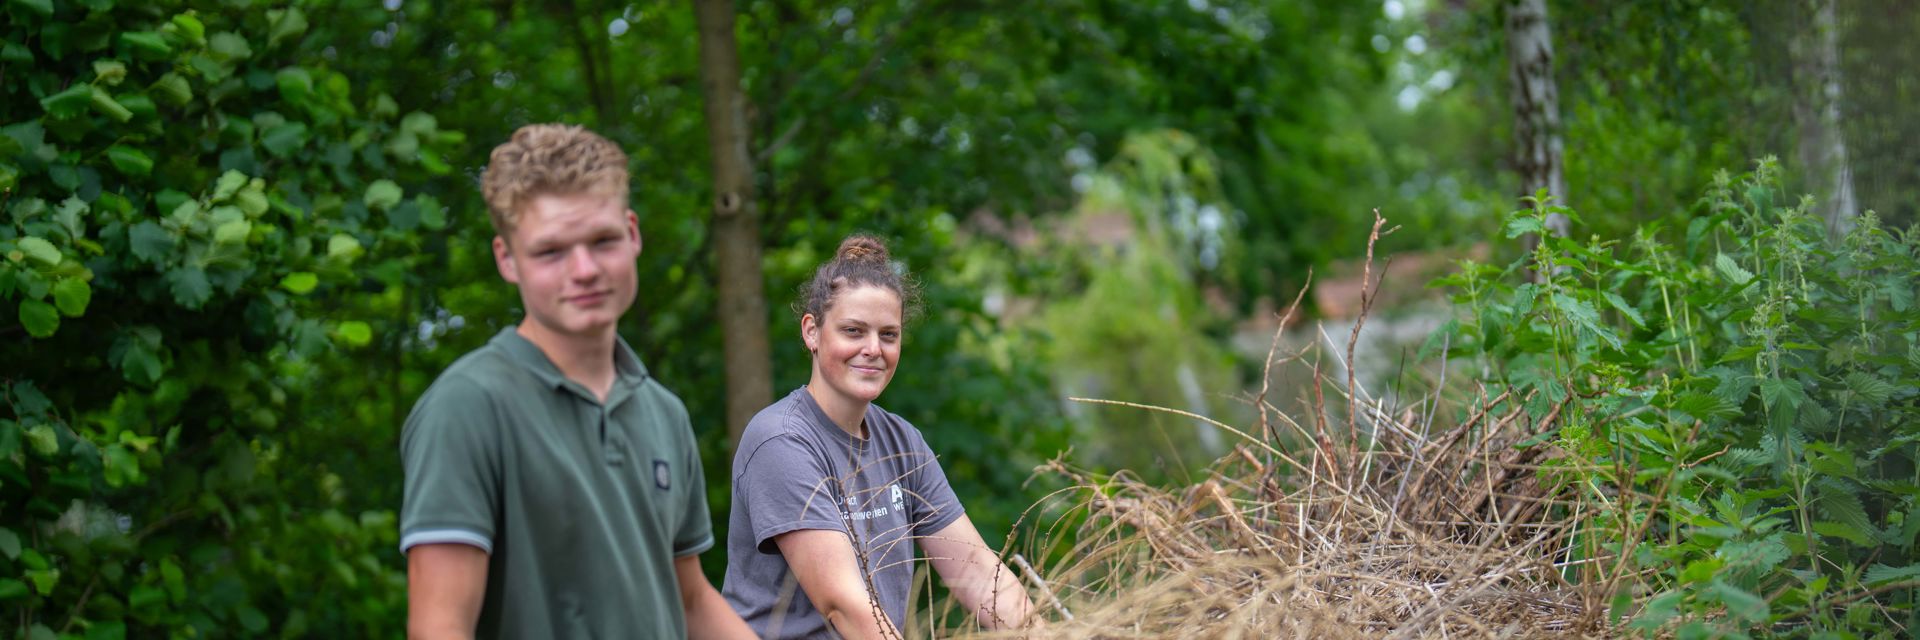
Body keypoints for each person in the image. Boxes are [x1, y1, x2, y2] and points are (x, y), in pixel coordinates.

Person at [399, 124, 754, 639]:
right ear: (506, 259)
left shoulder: (663, 412)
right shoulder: (468, 406)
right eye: (551, 251)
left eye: (602, 241)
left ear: (632, 234)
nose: (584, 270)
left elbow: (691, 600)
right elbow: (440, 627)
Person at [722, 234, 1037, 638]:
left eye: (888, 334)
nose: (873, 348)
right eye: (854, 331)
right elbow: (845, 608)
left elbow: (979, 575)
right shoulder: (781, 441)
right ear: (812, 332)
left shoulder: (902, 441)